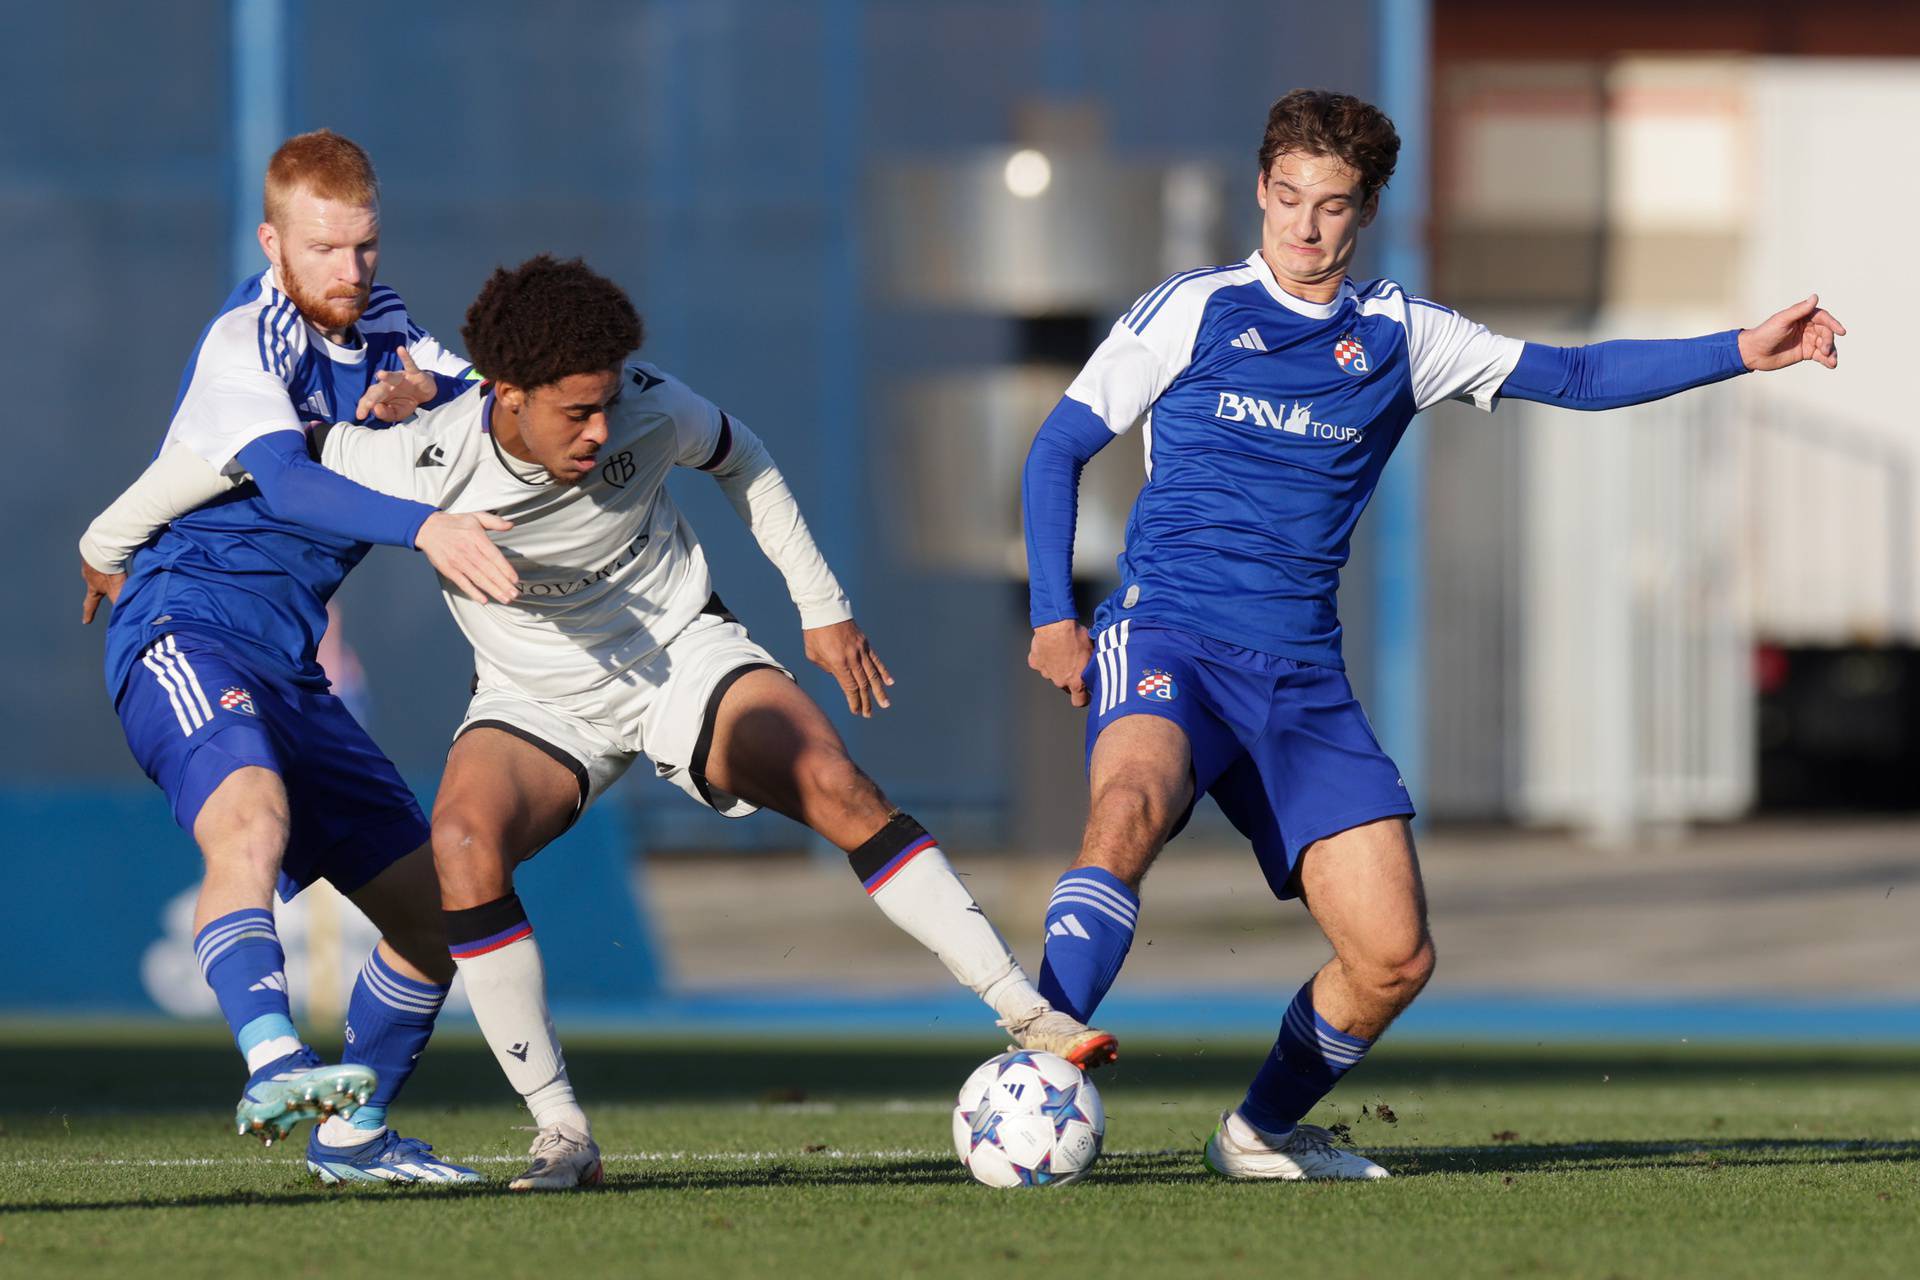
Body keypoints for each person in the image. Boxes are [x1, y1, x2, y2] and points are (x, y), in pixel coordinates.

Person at [120, 254, 1118, 1191]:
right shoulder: (418, 456)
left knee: (830, 776)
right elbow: (240, 460)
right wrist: (108, 536)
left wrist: (821, 604)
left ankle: (1024, 1009)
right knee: (460, 845)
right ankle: (562, 1129)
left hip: (682, 654)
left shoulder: (646, 404)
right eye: (576, 411)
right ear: (507, 395)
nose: (601, 429)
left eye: (607, 401)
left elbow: (745, 457)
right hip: (534, 697)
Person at [1021, 88, 1845, 1180]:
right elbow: (1055, 450)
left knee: (1393, 955)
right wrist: (1051, 614)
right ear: (1260, 189)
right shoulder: (1192, 310)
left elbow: (1581, 374)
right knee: (1127, 803)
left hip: (1302, 677)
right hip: (1170, 631)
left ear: (1364, 214)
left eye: (1331, 207)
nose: (1303, 227)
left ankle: (1258, 1131)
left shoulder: (1404, 336)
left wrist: (1741, 347)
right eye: (1286, 198)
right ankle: (1039, 1063)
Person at [77, 130, 519, 1184]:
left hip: (290, 665)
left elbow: (505, 416)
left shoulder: (391, 329)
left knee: (437, 907)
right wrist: (428, 523)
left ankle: (351, 1131)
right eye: (323, 249)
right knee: (252, 816)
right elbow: (287, 482)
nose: (348, 272)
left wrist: (447, 404)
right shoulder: (247, 342)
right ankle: (273, 1057)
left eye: (363, 247)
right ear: (273, 240)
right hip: (185, 626)